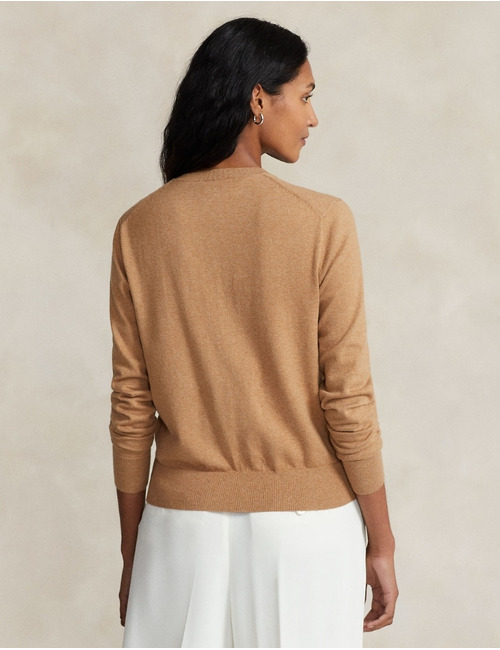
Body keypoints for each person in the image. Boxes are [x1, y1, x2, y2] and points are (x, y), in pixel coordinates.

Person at [109, 16, 398, 649]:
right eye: (306, 95)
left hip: (178, 529)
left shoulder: (140, 227)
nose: (313, 117)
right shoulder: (322, 222)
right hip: (306, 531)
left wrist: (135, 551)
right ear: (258, 98)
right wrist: (382, 540)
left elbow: (132, 406)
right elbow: (348, 399)